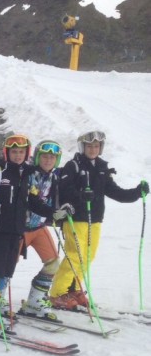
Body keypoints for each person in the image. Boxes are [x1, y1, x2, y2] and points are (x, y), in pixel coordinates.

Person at [0, 135, 60, 333]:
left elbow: (32, 202)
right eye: (14, 152)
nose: (18, 155)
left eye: (21, 152)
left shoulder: (26, 174)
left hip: (16, 232)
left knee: (6, 274)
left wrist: (52, 213)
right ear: (7, 153)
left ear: (27, 153)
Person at [49, 131, 148, 309]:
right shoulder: (73, 166)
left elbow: (115, 192)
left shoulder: (102, 168)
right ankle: (58, 293)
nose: (93, 149)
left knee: (87, 256)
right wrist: (81, 196)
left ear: (100, 148)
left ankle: (73, 288)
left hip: (95, 219)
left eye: (96, 146)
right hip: (76, 217)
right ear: (83, 147)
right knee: (75, 255)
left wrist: (136, 192)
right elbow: (65, 189)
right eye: (89, 146)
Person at [16, 141, 70, 320]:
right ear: (38, 157)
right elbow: (33, 202)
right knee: (5, 268)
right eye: (45, 156)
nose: (48, 160)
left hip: (38, 227)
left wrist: (66, 208)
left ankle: (35, 301)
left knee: (53, 263)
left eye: (52, 157)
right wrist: (53, 213)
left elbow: (56, 197)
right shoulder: (28, 174)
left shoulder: (53, 176)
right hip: (19, 228)